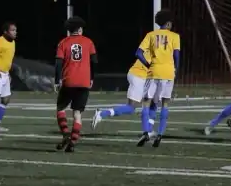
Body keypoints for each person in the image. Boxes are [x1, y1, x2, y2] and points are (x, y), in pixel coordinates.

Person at [91, 34, 156, 133]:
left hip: (139, 76)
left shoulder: (154, 48)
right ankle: (102, 114)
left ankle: (148, 131)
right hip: (139, 76)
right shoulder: (158, 52)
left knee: (150, 104)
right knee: (132, 107)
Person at [134, 10, 180, 148]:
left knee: (146, 103)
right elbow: (177, 55)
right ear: (168, 23)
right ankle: (160, 134)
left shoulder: (151, 35)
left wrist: (148, 64)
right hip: (168, 72)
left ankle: (146, 132)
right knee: (165, 104)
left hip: (154, 71)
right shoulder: (175, 36)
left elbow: (138, 53)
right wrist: (176, 69)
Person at [54, 16, 97, 152]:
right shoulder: (89, 42)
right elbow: (94, 61)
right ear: (79, 29)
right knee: (77, 112)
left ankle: (66, 133)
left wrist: (57, 80)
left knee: (61, 108)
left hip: (69, 80)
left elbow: (58, 63)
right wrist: (91, 78)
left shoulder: (63, 43)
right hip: (84, 81)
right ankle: (73, 141)